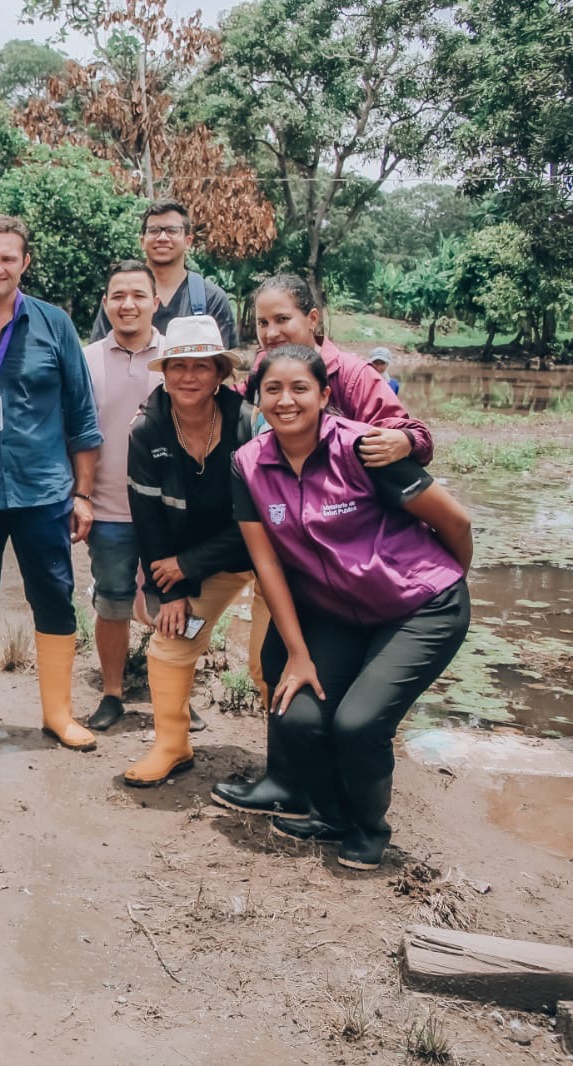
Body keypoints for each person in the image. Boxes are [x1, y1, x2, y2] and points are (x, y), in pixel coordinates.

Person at [216, 344, 471, 870]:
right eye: (273, 390)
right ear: (255, 399)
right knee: (296, 712)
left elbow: (456, 523)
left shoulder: (363, 449)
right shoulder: (247, 464)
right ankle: (330, 815)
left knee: (357, 724)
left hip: (420, 606)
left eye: (300, 388)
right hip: (338, 613)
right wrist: (297, 653)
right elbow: (268, 567)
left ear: (325, 395)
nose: (286, 401)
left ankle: (369, 828)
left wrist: (442, 581)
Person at [0, 215, 103, 751]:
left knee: (54, 595)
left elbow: (82, 415)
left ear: (25, 263)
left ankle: (58, 714)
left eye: (8, 257)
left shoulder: (55, 326)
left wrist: (83, 493)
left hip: (44, 491)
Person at [240, 273, 434, 708]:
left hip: (353, 553)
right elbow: (236, 396)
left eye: (282, 319)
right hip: (286, 541)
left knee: (349, 674)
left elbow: (413, 433)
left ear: (312, 318)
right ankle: (287, 761)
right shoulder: (262, 366)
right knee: (269, 661)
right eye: (262, 322)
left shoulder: (352, 374)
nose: (270, 332)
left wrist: (403, 440)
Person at [122, 315, 254, 786]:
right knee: (170, 641)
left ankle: (294, 760)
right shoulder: (146, 432)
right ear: (164, 372)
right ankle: (172, 744)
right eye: (177, 366)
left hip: (267, 556)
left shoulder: (250, 425)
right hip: (193, 563)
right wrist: (171, 590)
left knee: (269, 659)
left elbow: (258, 523)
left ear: (220, 372)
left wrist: (186, 564)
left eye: (201, 366)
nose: (188, 377)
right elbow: (148, 522)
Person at [79, 260, 165, 734]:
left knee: (173, 603)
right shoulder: (86, 359)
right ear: (106, 303)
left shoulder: (178, 356)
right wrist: (80, 496)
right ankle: (112, 694)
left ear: (156, 301)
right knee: (112, 602)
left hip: (169, 512)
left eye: (138, 295)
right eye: (118, 296)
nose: (128, 304)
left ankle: (171, 695)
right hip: (109, 508)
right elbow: (75, 434)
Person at [89, 200, 237, 349]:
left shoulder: (210, 298)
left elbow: (221, 365)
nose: (162, 238)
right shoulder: (120, 297)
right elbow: (99, 353)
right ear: (142, 241)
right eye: (154, 230)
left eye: (172, 230)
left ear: (188, 241)